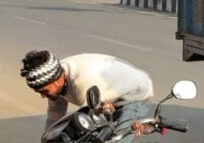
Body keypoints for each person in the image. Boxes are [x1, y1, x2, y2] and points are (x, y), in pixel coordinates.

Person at [20, 49, 154, 138]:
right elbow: (55, 115)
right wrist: (47, 140)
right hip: (105, 96)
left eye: (44, 91)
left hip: (134, 93)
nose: (43, 96)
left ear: (57, 79)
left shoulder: (83, 81)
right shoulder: (55, 81)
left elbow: (88, 119)